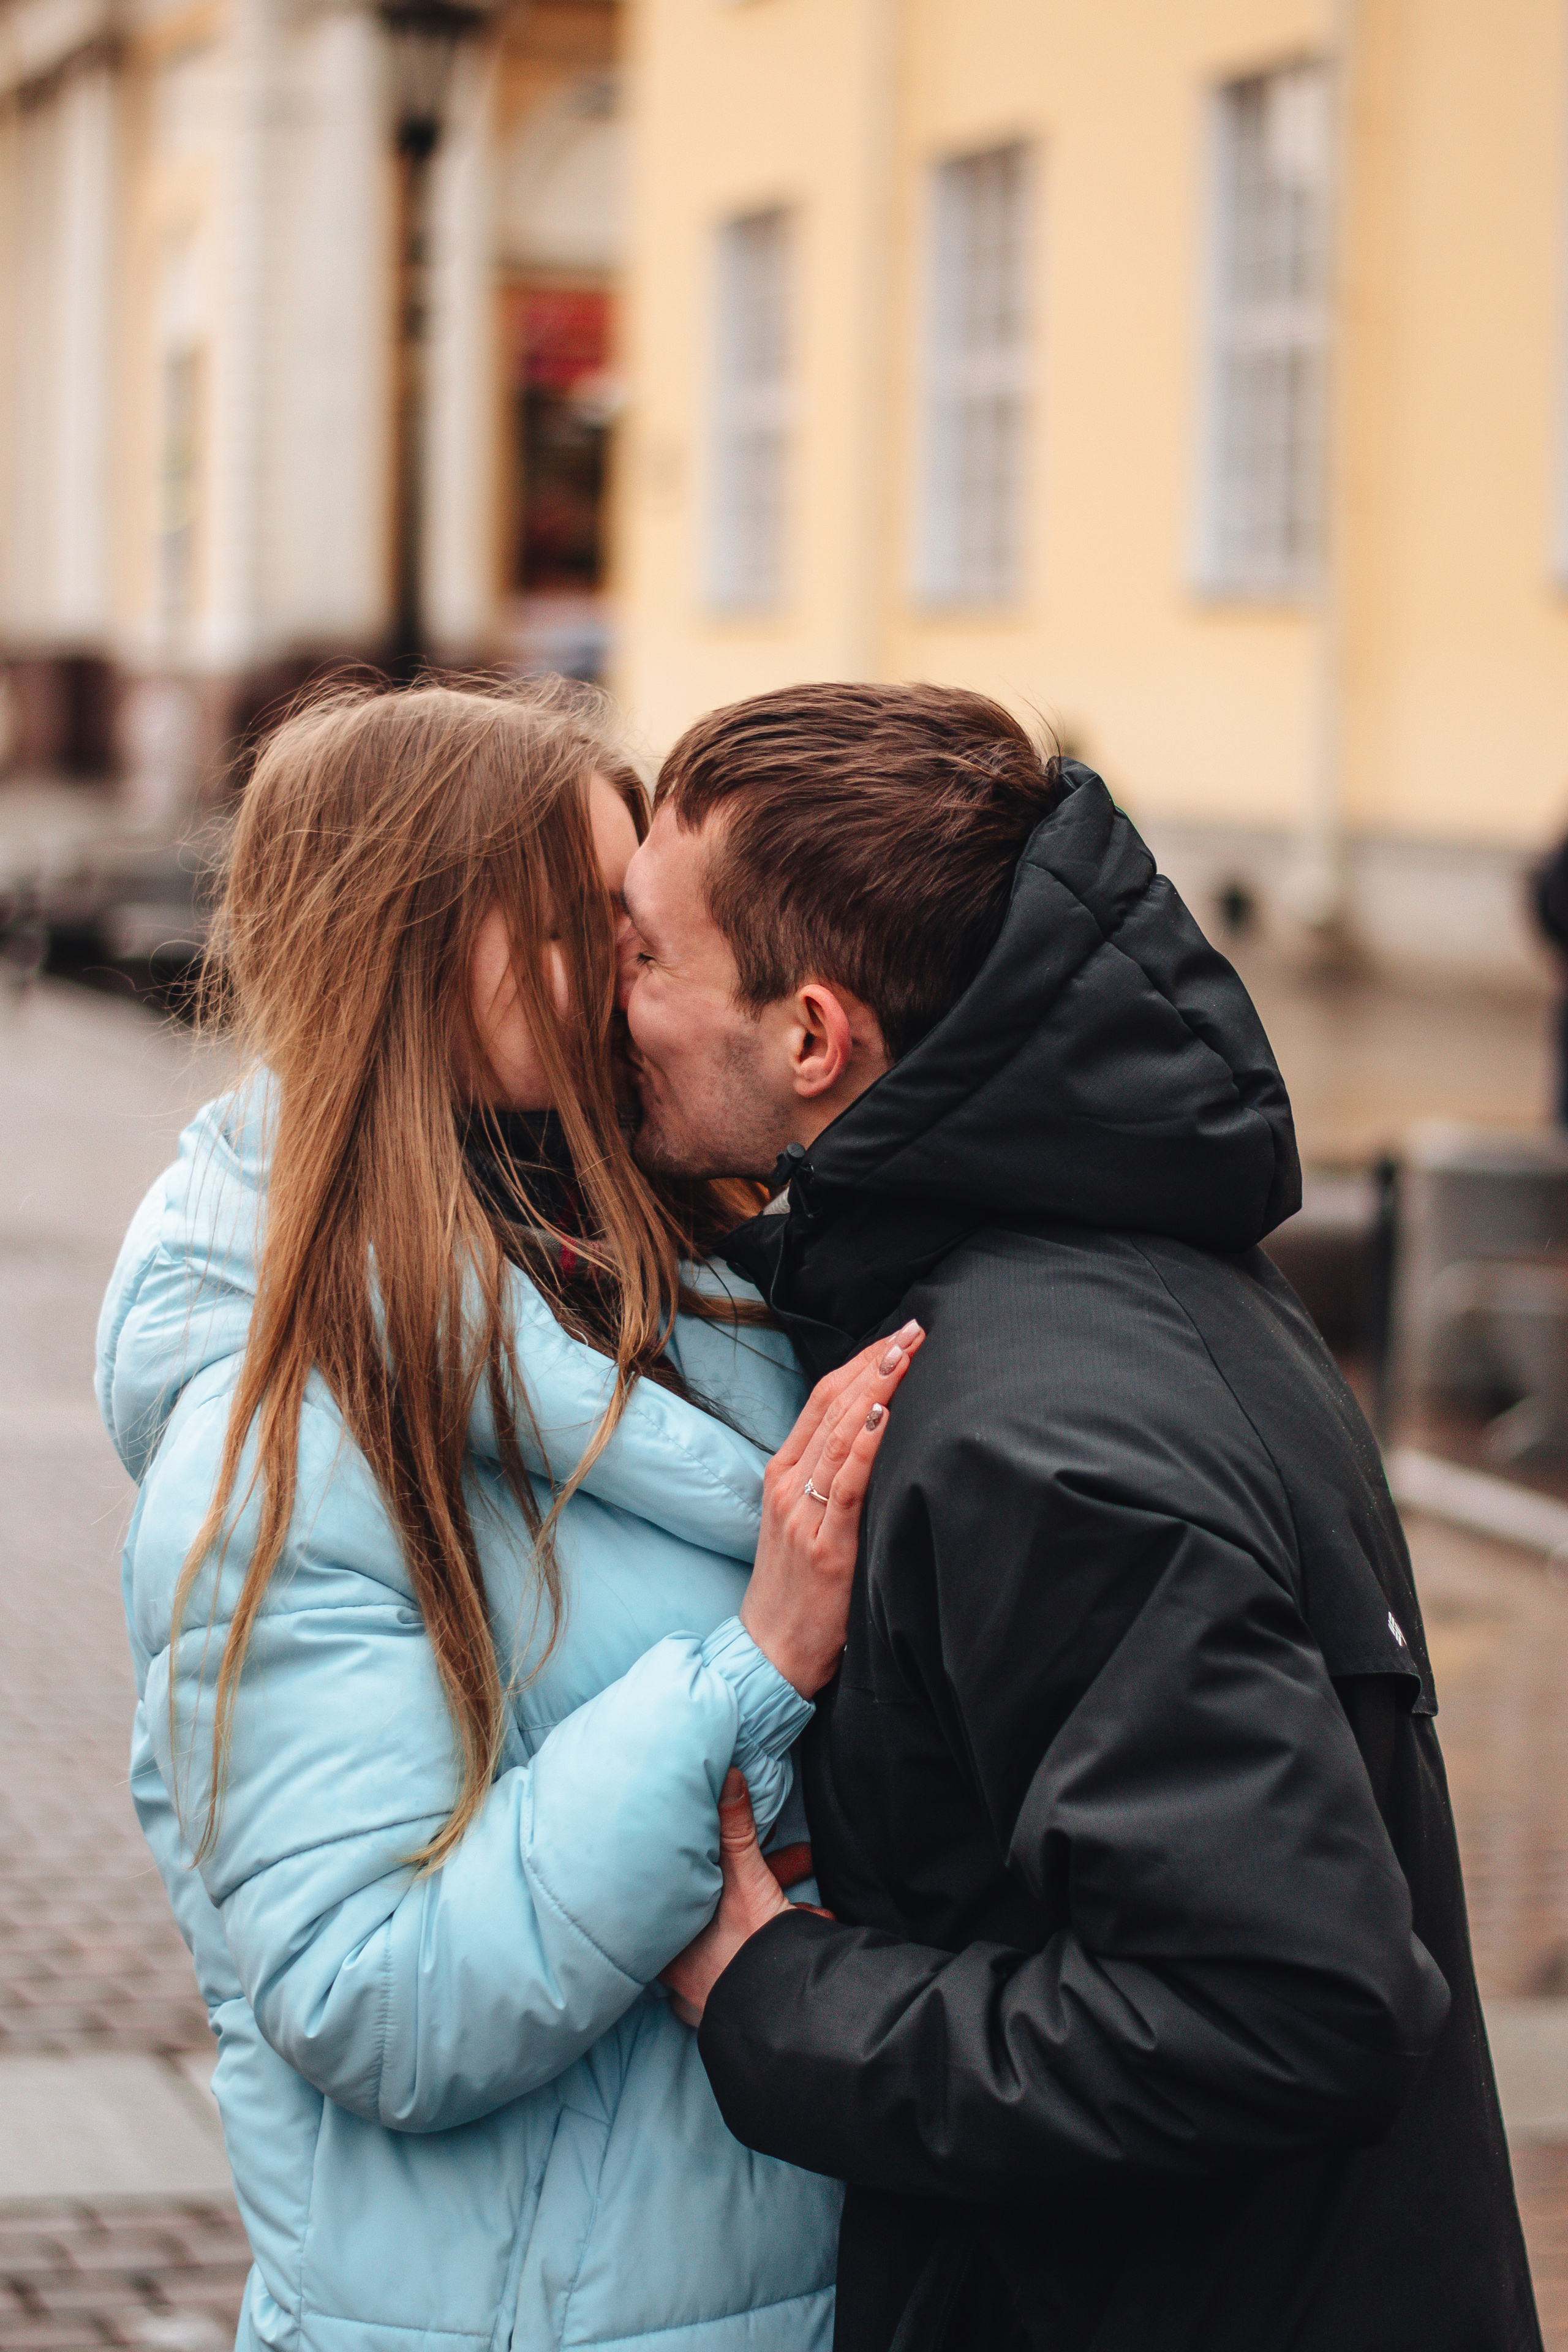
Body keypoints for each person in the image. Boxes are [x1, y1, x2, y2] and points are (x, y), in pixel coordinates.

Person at [618, 682, 1542, 2352]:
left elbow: (1286, 2003)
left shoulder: (1035, 1433)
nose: (609, 1004)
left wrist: (785, 1999)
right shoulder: (1115, 1270)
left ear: (814, 1037)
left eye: (643, 958)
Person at [95, 680, 920, 2352]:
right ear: (403, 950)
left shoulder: (689, 1275)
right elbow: (371, 1994)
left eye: (629, 915)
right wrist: (748, 1673)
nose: (628, 966)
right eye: (569, 919)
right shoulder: (283, 1443)